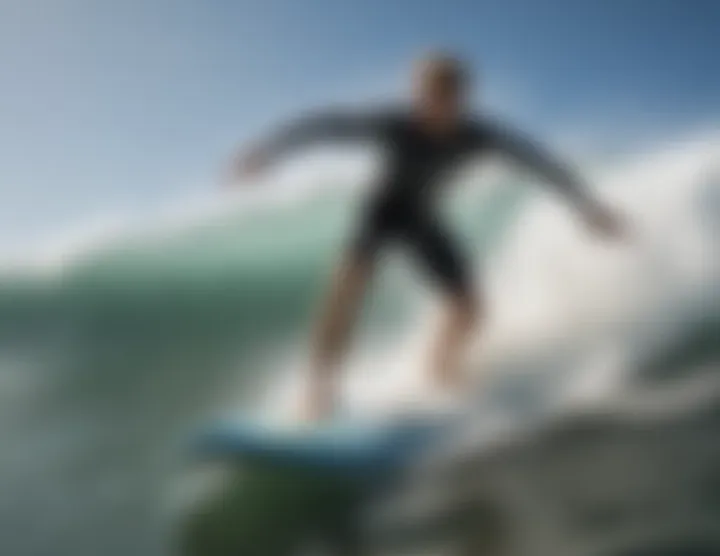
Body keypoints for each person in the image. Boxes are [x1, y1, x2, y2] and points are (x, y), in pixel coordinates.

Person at [230, 52, 624, 421]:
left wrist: (587, 207)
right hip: (382, 211)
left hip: (420, 216)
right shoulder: (395, 124)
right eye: (423, 95)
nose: (428, 105)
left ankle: (440, 372)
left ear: (460, 98)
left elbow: (539, 161)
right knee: (347, 287)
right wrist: (269, 150)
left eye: (440, 97)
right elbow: (327, 126)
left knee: (469, 309)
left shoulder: (479, 136)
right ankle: (318, 390)